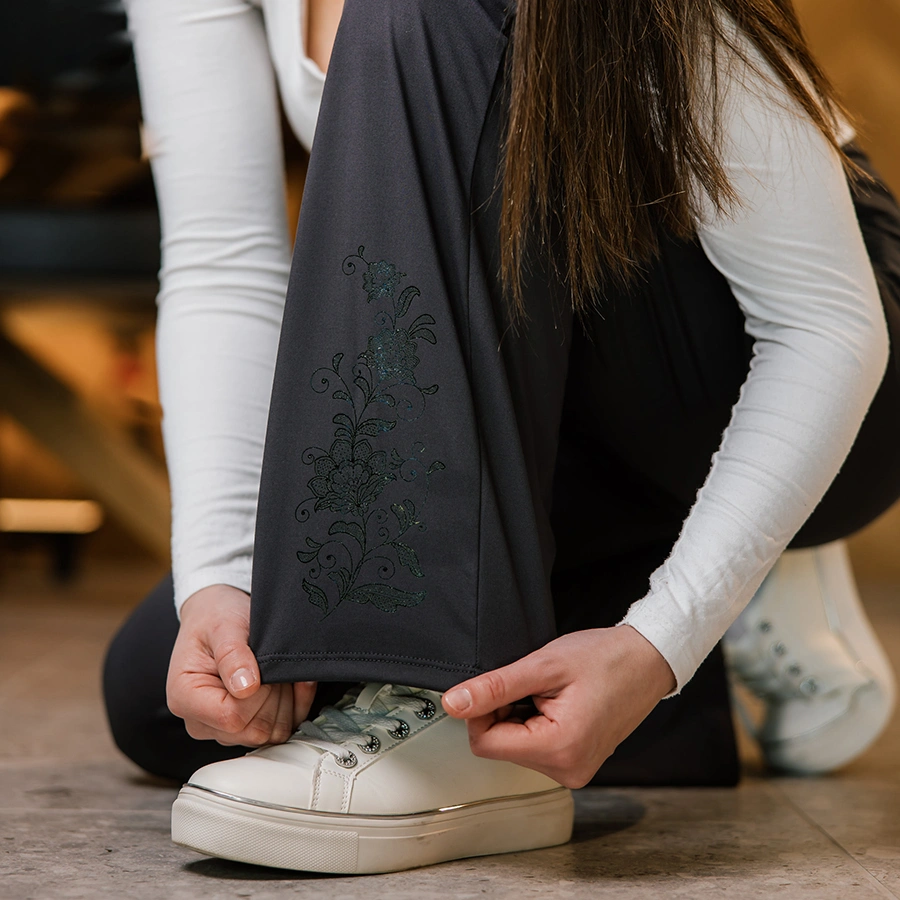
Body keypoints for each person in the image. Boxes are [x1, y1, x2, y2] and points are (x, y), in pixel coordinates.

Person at [105, 0, 900, 874]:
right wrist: (217, 577)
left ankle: (463, 685)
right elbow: (226, 260)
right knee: (171, 693)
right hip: (517, 374)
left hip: (766, 351)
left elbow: (826, 322)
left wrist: (661, 642)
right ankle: (654, 603)